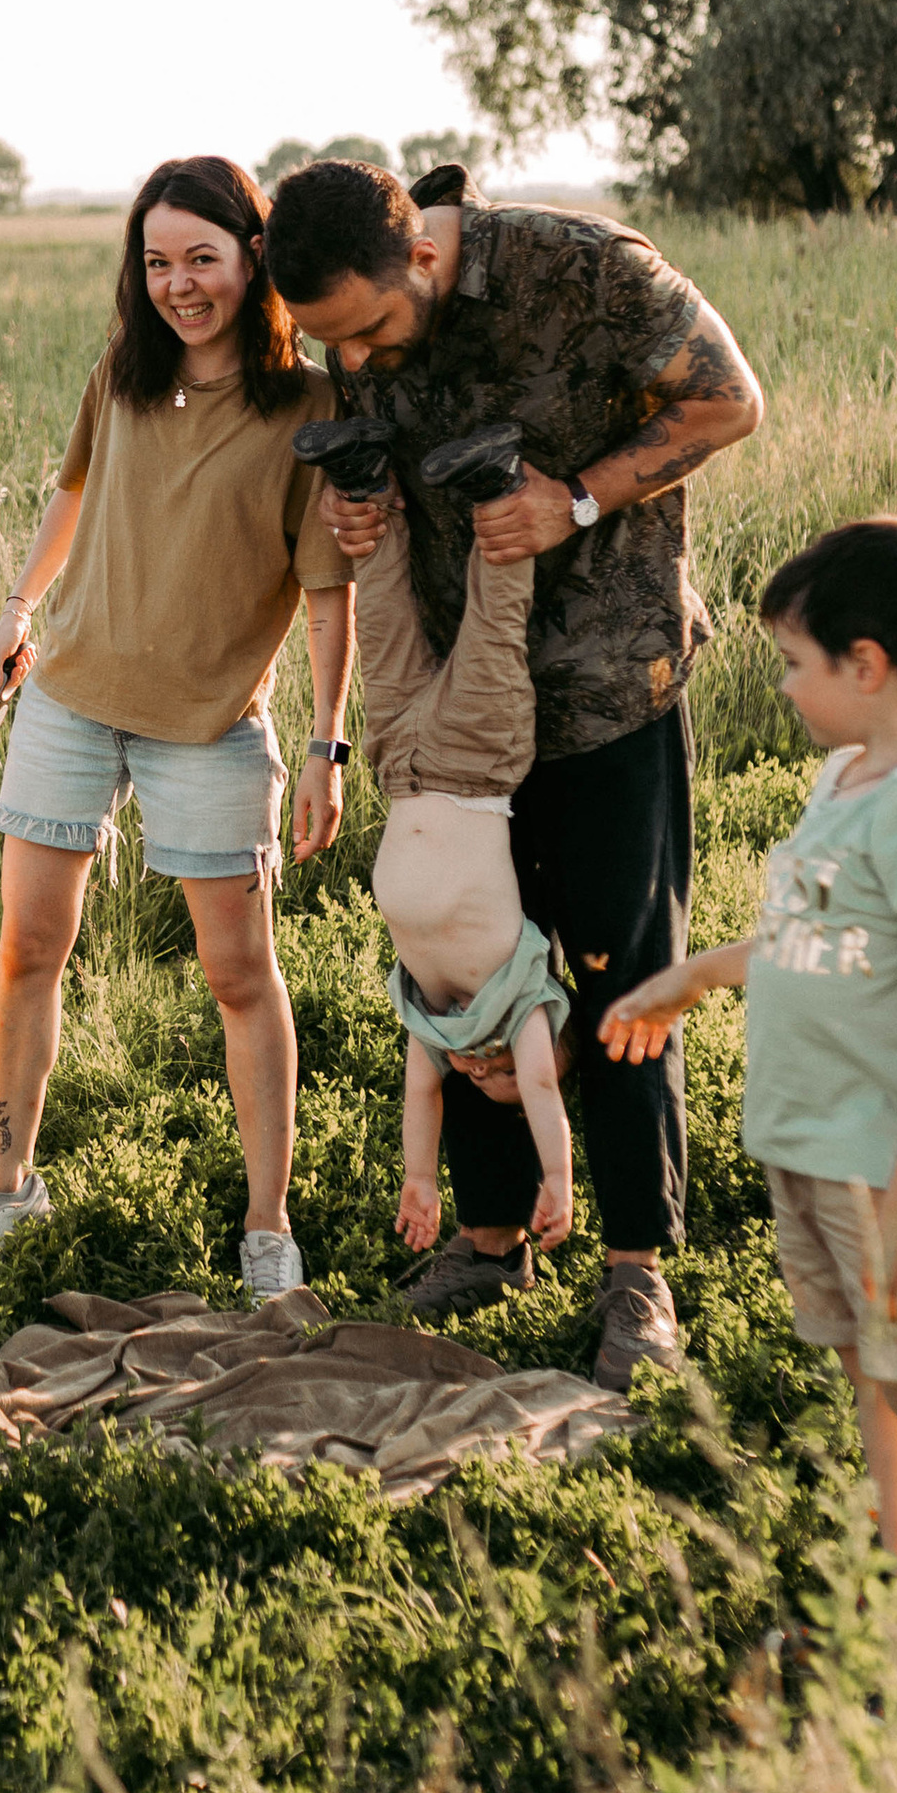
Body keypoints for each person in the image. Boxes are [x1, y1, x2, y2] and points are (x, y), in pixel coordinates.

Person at [264, 157, 763, 1385]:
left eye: (372, 331)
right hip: (458, 704)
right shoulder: (353, 326)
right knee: (469, 969)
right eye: (337, 348)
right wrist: (360, 528)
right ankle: (488, 1241)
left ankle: (635, 1271)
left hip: (602, 682)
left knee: (619, 978)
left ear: (421, 258)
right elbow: (375, 447)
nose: (362, 363)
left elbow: (728, 404)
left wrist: (579, 502)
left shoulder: (582, 268)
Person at [0, 156, 357, 1298]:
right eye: (156, 262)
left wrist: (328, 748)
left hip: (212, 724)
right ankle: (6, 1188)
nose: (179, 284)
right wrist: (18, 605)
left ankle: (267, 1224)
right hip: (70, 701)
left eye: (202, 258)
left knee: (240, 972)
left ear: (254, 258)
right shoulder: (123, 374)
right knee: (27, 951)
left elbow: (330, 594)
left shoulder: (310, 409)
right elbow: (75, 488)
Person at [600, 519, 897, 1598]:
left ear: (864, 665)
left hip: (881, 1166)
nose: (783, 687)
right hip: (814, 1145)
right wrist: (694, 974)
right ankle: (895, 1574)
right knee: (868, 1372)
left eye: (793, 663)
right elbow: (814, 931)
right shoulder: (845, 779)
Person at [292, 415, 575, 1283]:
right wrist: (557, 1181)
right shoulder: (522, 1001)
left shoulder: (437, 1019)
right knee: (497, 625)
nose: (482, 1074)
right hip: (480, 766)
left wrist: (421, 1180)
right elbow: (539, 1089)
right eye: (499, 1076)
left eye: (481, 1082)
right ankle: (496, 482)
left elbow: (422, 1093)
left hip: (403, 768)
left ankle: (366, 480)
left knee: (384, 623)